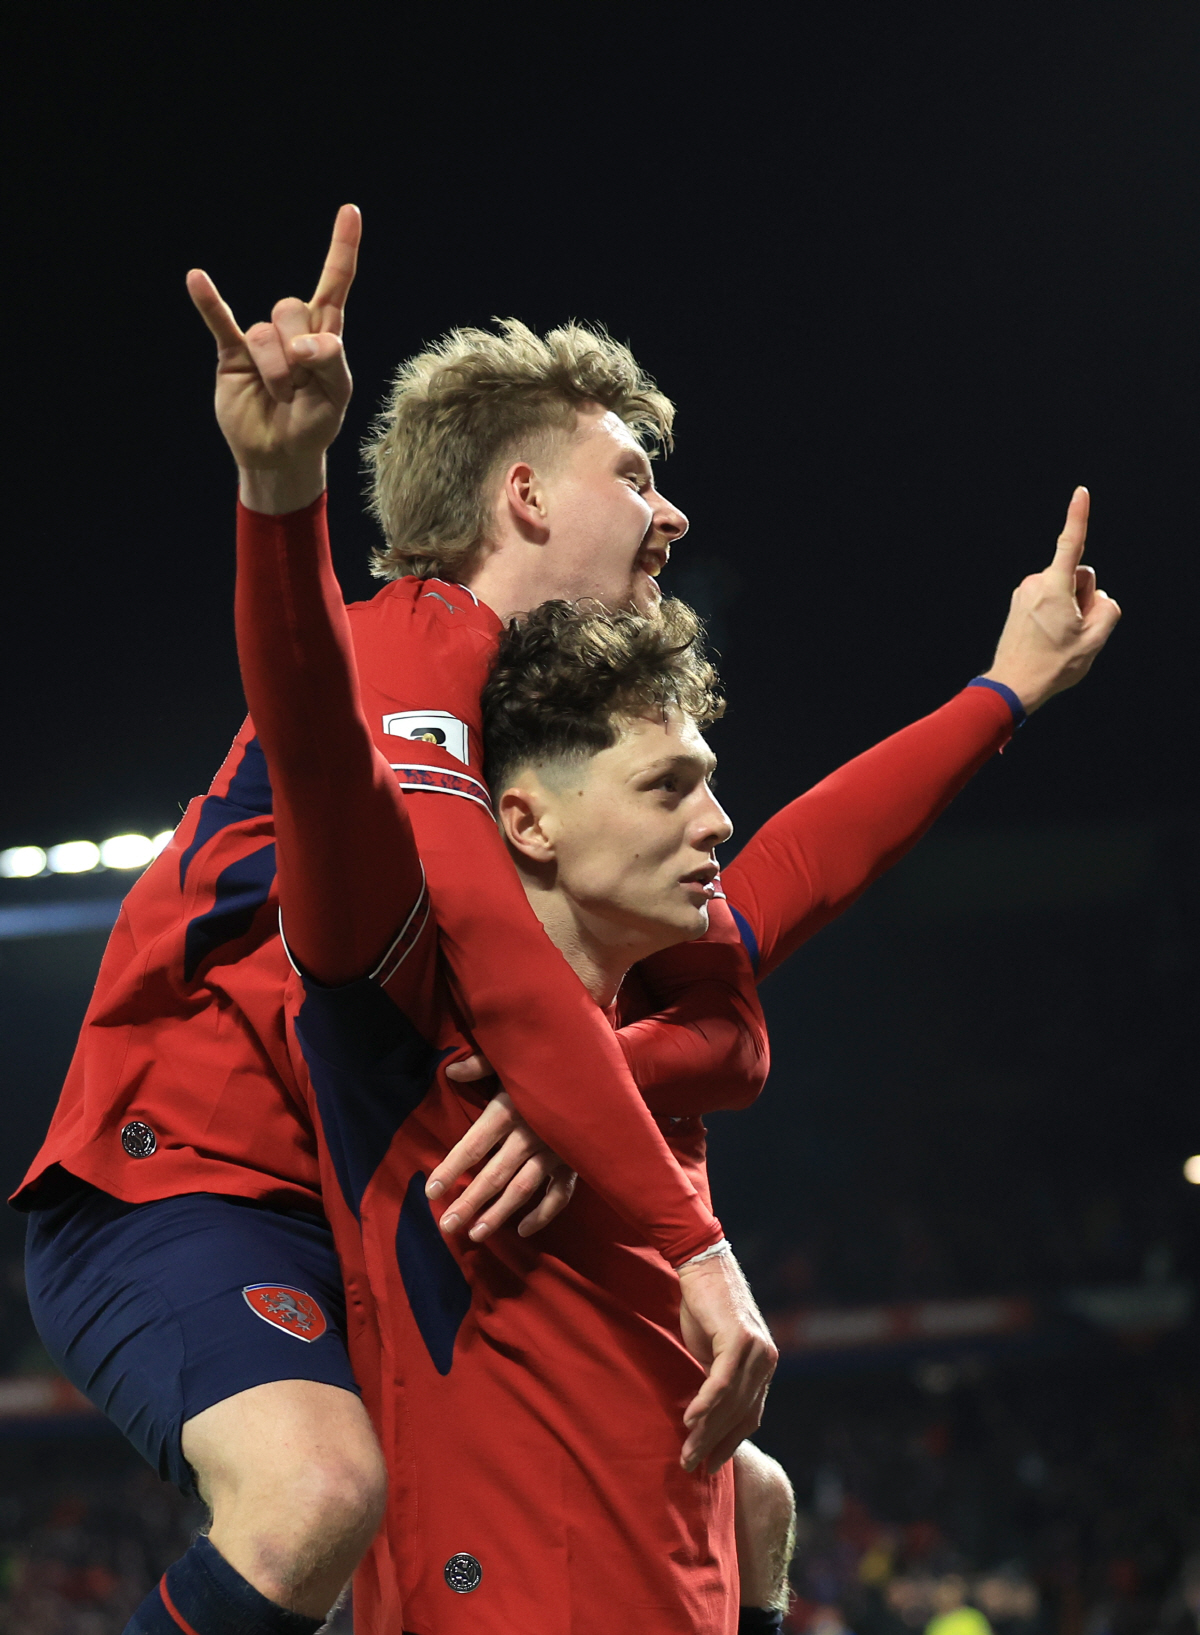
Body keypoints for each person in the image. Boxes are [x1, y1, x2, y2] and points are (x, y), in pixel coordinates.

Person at [17, 204, 1119, 1633]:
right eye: (637, 473)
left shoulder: (545, 743)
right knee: (311, 1500)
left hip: (352, 1187)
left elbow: (768, 896)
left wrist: (1004, 691)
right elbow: (472, 916)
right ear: (525, 494)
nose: (670, 513)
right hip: (185, 1174)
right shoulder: (414, 642)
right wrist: (278, 491)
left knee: (750, 1498)